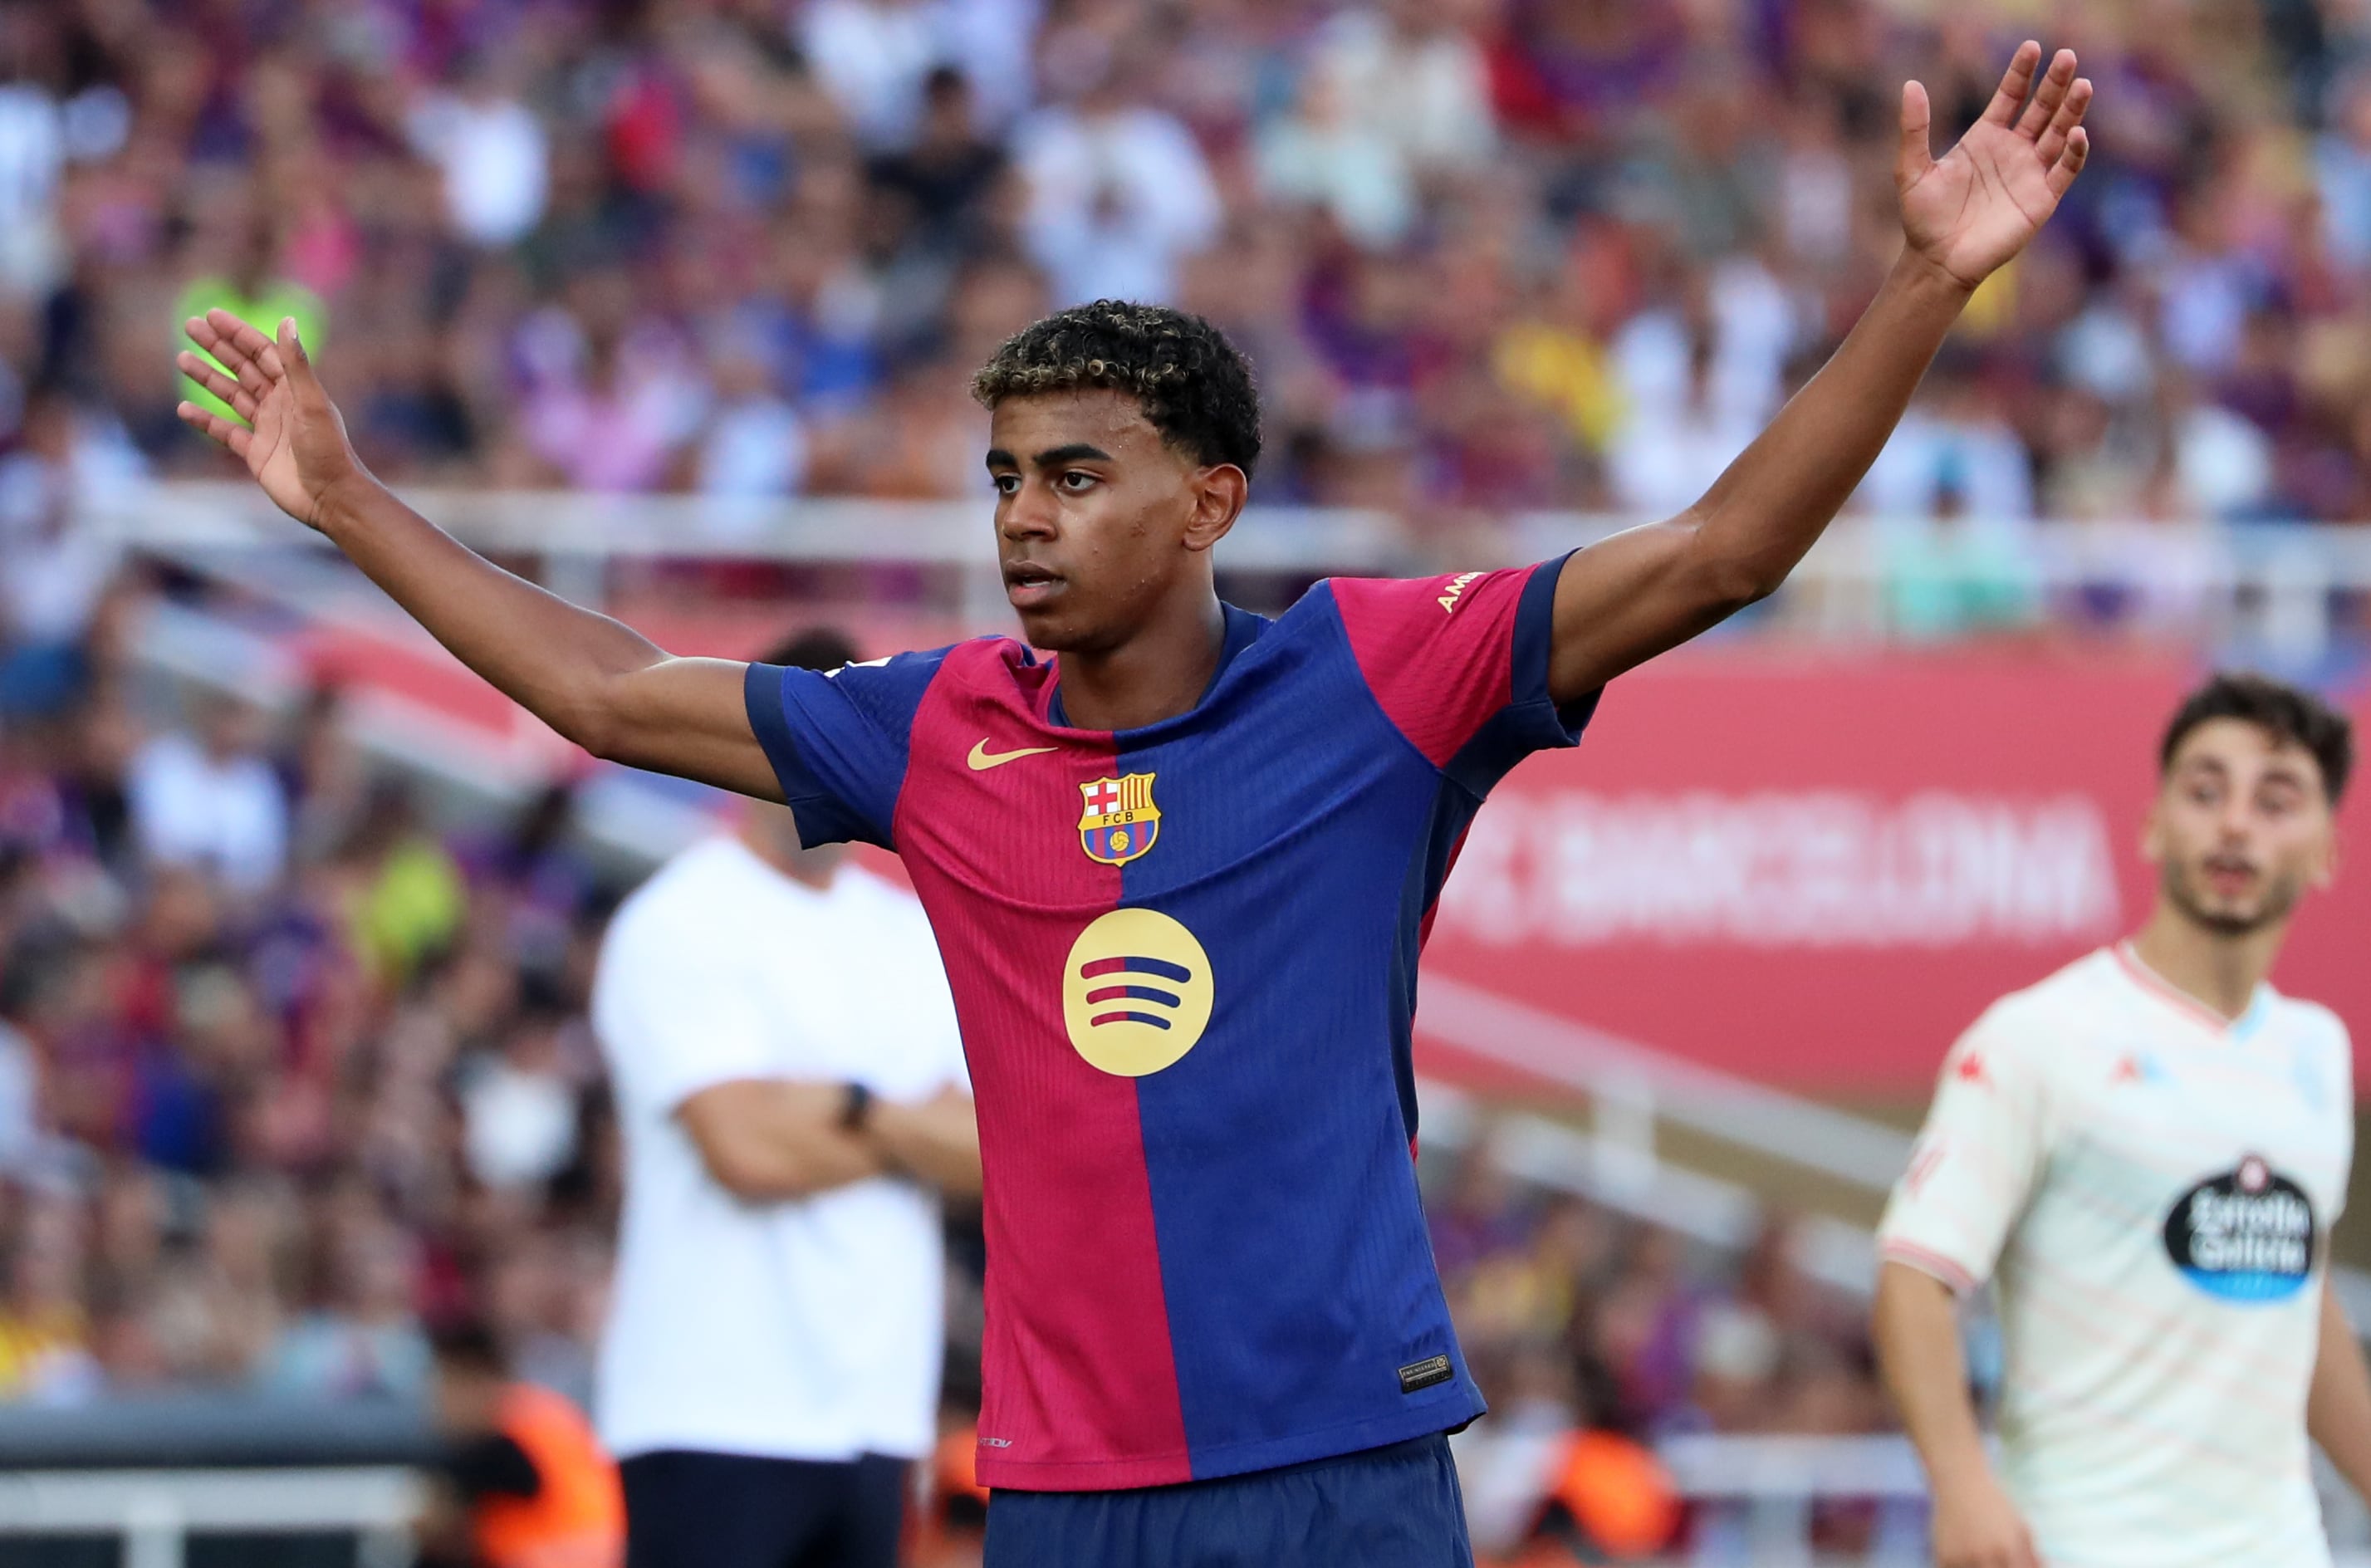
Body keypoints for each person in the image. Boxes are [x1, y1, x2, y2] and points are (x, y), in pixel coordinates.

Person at [173, 41, 2091, 1566]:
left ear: (1207, 499)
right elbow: (602, 690)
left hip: (1342, 1452)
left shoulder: (1375, 675)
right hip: (1068, 1486)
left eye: (1076, 473)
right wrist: (346, 499)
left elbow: (1719, 550)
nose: (1021, 513)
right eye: (1003, 473)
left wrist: (1922, 281)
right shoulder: (932, 728)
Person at [1873, 673, 2371, 1568]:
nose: (2234, 823)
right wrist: (1959, 1482)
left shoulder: (2315, 1053)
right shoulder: (2039, 1037)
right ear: (2151, 823)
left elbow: (2299, 1294)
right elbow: (1913, 1273)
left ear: (2327, 848)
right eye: (2204, 789)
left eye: (2275, 798)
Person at [590, 622, 978, 1568]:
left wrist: (842, 1103)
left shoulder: (910, 932)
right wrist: (903, 1119)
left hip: (879, 1410)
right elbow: (746, 1154)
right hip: (713, 1409)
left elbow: (993, 1154)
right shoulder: (680, 919)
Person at [419, 1317, 625, 1568]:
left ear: (478, 1379)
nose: (439, 1403)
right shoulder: (541, 1411)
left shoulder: (503, 1438)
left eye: (447, 1384)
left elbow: (439, 1511)